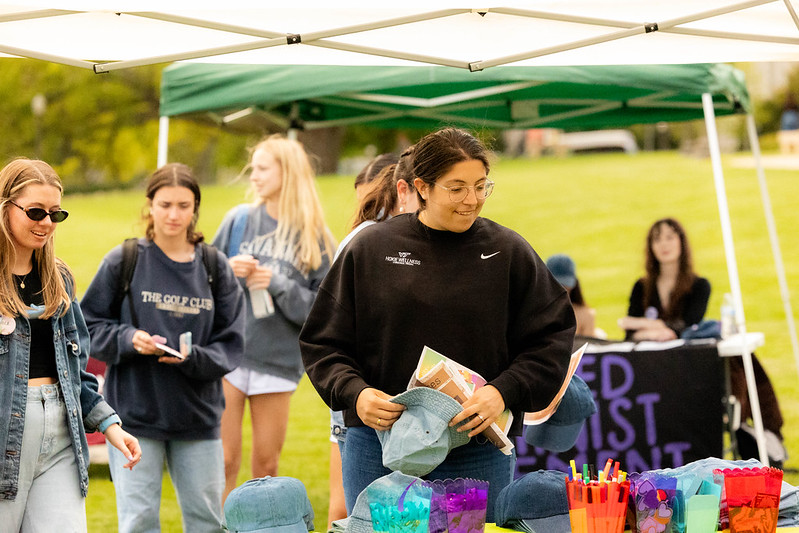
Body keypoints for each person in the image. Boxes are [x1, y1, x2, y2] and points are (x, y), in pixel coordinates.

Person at [299, 127, 576, 521]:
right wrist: (356, 393)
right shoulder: (371, 250)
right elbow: (322, 343)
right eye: (457, 187)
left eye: (481, 186)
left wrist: (502, 392)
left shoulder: (508, 252)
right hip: (380, 448)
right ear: (421, 187)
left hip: (476, 452)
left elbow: (552, 337)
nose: (472, 200)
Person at [81, 163, 246, 532]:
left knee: (207, 520)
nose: (174, 215)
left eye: (184, 206)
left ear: (195, 209)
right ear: (150, 206)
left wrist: (195, 358)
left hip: (197, 417)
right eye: (165, 204)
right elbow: (87, 327)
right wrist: (128, 339)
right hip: (134, 416)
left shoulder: (214, 266)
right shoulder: (124, 260)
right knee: (138, 521)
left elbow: (233, 344)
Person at [0, 158, 141, 531]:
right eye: (35, 212)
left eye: (55, 214)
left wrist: (110, 425)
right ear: (5, 208)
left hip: (62, 436)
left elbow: (75, 374)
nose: (46, 223)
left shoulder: (59, 278)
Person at [212, 135, 336, 502]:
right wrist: (226, 271)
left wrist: (278, 284)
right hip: (230, 355)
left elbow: (323, 313)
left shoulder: (316, 237)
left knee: (266, 466)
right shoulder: (238, 220)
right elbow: (201, 284)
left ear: (288, 172)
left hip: (277, 363)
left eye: (263, 168)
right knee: (223, 460)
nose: (254, 176)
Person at [327, 148, 421, 528]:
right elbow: (329, 329)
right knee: (363, 512)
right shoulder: (367, 242)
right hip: (364, 402)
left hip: (391, 406)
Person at [618, 217, 711, 341]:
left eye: (669, 237)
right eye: (657, 239)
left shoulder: (699, 285)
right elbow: (629, 335)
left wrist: (645, 324)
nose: (664, 245)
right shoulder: (641, 286)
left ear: (681, 242)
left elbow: (686, 326)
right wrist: (653, 334)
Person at [545, 253, 605, 339]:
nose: (560, 290)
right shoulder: (533, 311)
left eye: (564, 286)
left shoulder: (586, 315)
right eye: (555, 284)